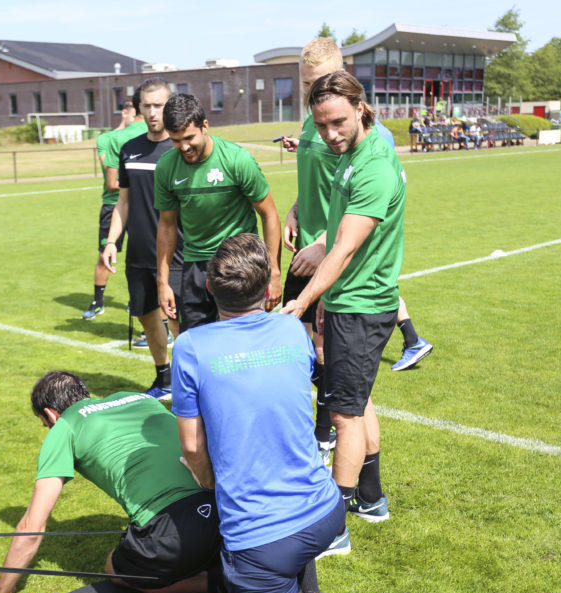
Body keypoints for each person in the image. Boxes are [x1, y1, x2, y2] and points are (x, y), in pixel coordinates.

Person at [173, 235, 467, 593]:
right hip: (324, 512)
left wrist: (212, 483)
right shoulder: (292, 329)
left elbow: (193, 447)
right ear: (269, 290)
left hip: (263, 536)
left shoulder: (191, 348)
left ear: (210, 288)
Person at [279, 39, 431, 470]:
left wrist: (322, 247)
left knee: (333, 360)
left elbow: (361, 214)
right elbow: (323, 183)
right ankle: (353, 468)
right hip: (308, 244)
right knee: (313, 349)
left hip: (332, 262)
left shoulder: (370, 139)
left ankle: (328, 435)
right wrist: (295, 208)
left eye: (324, 82)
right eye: (309, 86)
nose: (316, 94)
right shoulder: (318, 119)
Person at [281, 71, 408, 544]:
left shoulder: (373, 164)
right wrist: (317, 240)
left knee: (344, 416)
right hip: (345, 300)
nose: (330, 134)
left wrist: (302, 300)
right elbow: (338, 229)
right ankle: (371, 499)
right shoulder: (350, 154)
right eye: (321, 125)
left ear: (360, 107)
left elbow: (345, 250)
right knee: (358, 402)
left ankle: (333, 527)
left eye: (337, 122)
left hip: (360, 304)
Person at [0, 371, 222, 593]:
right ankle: (227, 564)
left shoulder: (64, 426)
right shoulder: (138, 398)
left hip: (177, 534)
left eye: (45, 425)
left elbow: (32, 527)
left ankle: (219, 582)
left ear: (50, 415)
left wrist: (0, 591)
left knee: (114, 569)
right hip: (228, 510)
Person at [154, 94, 282, 331]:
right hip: (195, 266)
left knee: (242, 343)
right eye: (175, 140)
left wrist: (274, 272)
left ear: (205, 126)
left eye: (189, 137)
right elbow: (167, 225)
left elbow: (269, 214)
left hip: (241, 264)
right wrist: (162, 282)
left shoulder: (237, 160)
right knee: (197, 344)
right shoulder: (166, 167)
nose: (183, 147)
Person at [100, 78, 182, 400]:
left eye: (158, 105)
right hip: (138, 252)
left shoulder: (179, 148)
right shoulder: (129, 150)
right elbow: (123, 202)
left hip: (176, 255)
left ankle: (190, 385)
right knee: (148, 317)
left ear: (170, 106)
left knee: (178, 323)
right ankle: (163, 378)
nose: (151, 112)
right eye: (146, 106)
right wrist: (111, 242)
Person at [81, 95, 147, 320]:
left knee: (126, 256)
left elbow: (111, 181)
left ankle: (134, 301)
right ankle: (99, 301)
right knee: (110, 254)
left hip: (129, 205)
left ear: (132, 112)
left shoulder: (113, 138)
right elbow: (111, 182)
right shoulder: (113, 138)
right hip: (117, 204)